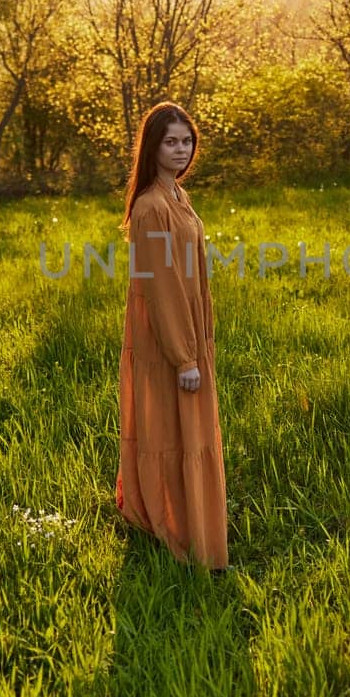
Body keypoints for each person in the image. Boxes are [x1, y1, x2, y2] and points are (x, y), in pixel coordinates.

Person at [115, 101, 230, 574]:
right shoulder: (149, 208)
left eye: (186, 141)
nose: (181, 150)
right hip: (167, 343)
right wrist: (184, 358)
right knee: (167, 434)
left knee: (192, 435)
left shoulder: (179, 196)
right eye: (171, 141)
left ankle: (197, 527)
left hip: (188, 336)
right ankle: (173, 531)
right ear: (153, 147)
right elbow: (160, 290)